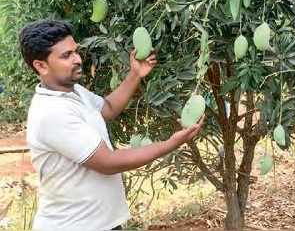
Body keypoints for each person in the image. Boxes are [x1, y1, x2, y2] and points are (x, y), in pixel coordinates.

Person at [19, 20, 204, 231]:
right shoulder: (52, 112)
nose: (77, 59)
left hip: (99, 224)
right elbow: (108, 162)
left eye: (76, 51)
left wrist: (135, 74)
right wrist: (171, 144)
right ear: (40, 65)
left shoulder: (72, 91)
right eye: (66, 56)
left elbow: (106, 108)